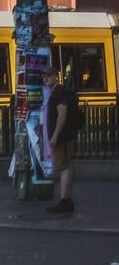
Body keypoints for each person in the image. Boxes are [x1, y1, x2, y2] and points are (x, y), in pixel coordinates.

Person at [47, 65, 79, 216]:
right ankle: (66, 201)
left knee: (64, 167)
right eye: (44, 76)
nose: (45, 78)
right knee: (64, 167)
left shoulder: (59, 94)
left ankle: (65, 201)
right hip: (63, 136)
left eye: (48, 75)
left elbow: (62, 115)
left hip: (62, 137)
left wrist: (55, 135)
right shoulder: (57, 93)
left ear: (56, 76)